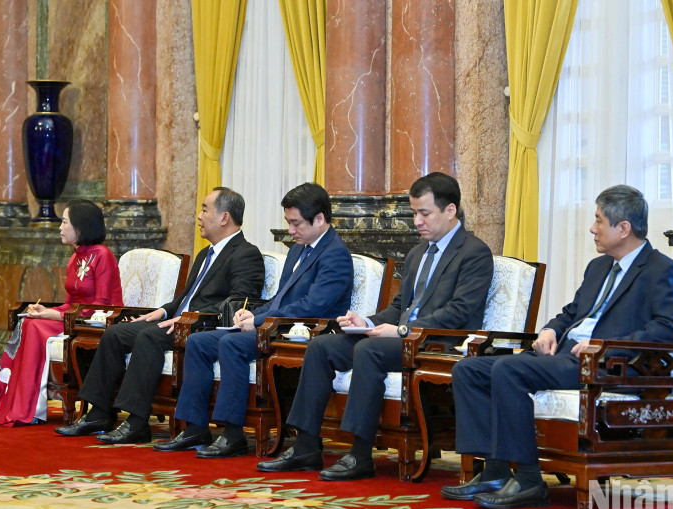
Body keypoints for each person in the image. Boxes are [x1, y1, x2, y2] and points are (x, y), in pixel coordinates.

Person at [440, 184, 673, 509]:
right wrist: (549, 330)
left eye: (599, 220)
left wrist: (603, 346)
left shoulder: (662, 270)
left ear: (623, 228)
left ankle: (529, 480)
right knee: (469, 369)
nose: (592, 228)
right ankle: (494, 471)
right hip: (562, 355)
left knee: (508, 368)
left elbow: (668, 329)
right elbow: (571, 313)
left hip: (601, 364)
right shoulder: (598, 267)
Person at [256, 172, 494, 481]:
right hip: (398, 338)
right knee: (322, 346)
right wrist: (366, 321)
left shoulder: (474, 253)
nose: (417, 221)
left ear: (450, 211)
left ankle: (359, 454)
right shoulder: (418, 252)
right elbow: (399, 307)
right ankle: (305, 446)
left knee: (369, 349)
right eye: (414, 213)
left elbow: (460, 313)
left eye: (425, 213)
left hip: (437, 341)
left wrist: (401, 331)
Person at [152, 182, 354, 456]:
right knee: (199, 342)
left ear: (319, 219)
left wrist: (260, 322)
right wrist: (254, 314)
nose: (290, 231)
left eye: (296, 224)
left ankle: (232, 434)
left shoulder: (335, 254)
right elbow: (281, 298)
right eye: (288, 222)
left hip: (304, 334)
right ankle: (195, 428)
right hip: (276, 326)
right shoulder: (297, 249)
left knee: (231, 345)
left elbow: (314, 305)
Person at [55, 187, 265, 442]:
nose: (199, 216)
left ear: (224, 217)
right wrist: (164, 310)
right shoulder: (205, 254)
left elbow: (238, 302)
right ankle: (99, 413)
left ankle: (136, 422)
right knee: (115, 334)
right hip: (176, 320)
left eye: (205, 209)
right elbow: (187, 296)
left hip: (201, 326)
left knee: (149, 337)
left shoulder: (246, 253)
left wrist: (191, 317)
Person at [0, 199, 123, 426]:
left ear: (81, 226)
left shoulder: (102, 255)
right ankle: (17, 403)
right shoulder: (75, 257)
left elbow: (101, 305)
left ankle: (29, 407)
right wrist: (48, 310)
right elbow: (70, 303)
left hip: (98, 322)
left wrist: (55, 316)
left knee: (33, 326)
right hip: (74, 319)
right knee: (27, 322)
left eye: (64, 222)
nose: (60, 228)